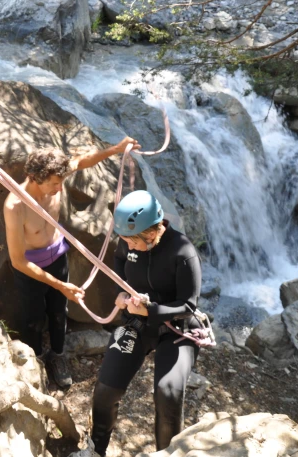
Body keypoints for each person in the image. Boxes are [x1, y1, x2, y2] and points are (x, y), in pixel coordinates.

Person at [4, 138, 140, 387]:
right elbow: (18, 261)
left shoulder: (55, 179)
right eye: (55, 184)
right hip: (30, 268)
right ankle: (35, 360)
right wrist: (59, 284)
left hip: (57, 256)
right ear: (35, 178)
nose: (59, 188)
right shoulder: (15, 206)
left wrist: (116, 149)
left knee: (59, 312)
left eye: (61, 182)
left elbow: (81, 161)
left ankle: (57, 355)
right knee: (32, 318)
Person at [90, 190, 202, 455]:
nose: (128, 246)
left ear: (152, 233)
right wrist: (122, 289)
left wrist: (149, 310)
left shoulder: (183, 252)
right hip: (135, 324)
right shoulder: (128, 242)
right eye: (124, 240)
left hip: (177, 328)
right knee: (105, 389)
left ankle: (167, 453)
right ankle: (95, 450)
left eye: (133, 242)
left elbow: (188, 306)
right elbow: (119, 259)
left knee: (168, 394)